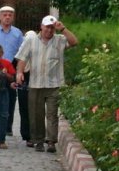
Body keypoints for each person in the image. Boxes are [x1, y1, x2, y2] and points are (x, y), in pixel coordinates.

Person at [16, 15, 78, 153]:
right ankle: (38, 141)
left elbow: (74, 42)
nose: (49, 30)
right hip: (35, 83)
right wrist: (19, 72)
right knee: (36, 114)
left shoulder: (60, 40)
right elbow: (22, 58)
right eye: (47, 27)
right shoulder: (31, 40)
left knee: (52, 114)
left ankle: (51, 141)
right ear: (41, 27)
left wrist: (63, 29)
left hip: (54, 83)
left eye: (52, 28)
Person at [0, 5, 23, 135]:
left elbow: (21, 53)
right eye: (5, 15)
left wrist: (18, 71)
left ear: (13, 17)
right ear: (0, 16)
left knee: (10, 98)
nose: (7, 17)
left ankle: (7, 127)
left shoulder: (18, 33)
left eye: (10, 15)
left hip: (10, 67)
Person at [14, 30, 37, 147]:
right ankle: (27, 135)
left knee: (35, 110)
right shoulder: (20, 55)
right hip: (23, 87)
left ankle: (35, 135)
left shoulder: (38, 54)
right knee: (24, 111)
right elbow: (16, 69)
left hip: (36, 86)